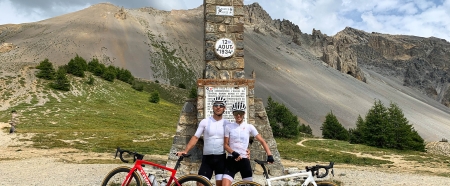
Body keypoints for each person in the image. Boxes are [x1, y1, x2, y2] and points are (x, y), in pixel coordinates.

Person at [177, 96, 231, 186]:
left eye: (221, 105)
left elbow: (233, 141)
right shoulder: (205, 122)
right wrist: (185, 151)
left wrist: (245, 151)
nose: (218, 107)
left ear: (224, 108)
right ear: (212, 107)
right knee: (200, 184)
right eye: (216, 105)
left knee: (221, 184)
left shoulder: (227, 123)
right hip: (207, 159)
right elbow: (195, 138)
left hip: (221, 159)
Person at [222, 102, 274, 186]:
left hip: (244, 161)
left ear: (244, 114)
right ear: (233, 114)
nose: (238, 115)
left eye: (241, 113)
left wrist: (269, 155)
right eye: (236, 113)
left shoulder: (249, 127)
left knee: (249, 185)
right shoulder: (229, 127)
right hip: (232, 160)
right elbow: (225, 145)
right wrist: (233, 152)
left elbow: (262, 141)